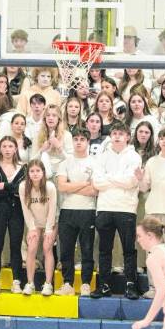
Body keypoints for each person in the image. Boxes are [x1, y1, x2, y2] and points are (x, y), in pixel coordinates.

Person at [92, 122, 142, 299]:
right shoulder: (101, 156)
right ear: (110, 136)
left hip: (126, 208)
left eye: (121, 133)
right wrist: (118, 180)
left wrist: (108, 178)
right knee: (104, 249)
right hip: (104, 207)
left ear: (128, 136)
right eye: (114, 133)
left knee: (129, 249)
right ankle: (104, 285)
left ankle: (131, 285)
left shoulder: (134, 156)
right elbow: (97, 182)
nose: (117, 136)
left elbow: (131, 181)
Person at [56, 128, 98, 296]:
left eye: (82, 139)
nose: (79, 142)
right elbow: (61, 186)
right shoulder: (65, 163)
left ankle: (86, 283)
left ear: (88, 142)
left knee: (87, 249)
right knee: (66, 250)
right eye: (76, 139)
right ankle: (68, 283)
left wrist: (71, 186)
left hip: (87, 210)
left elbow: (94, 190)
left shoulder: (95, 162)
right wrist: (83, 184)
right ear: (72, 141)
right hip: (67, 210)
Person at [0, 136, 26, 295]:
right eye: (4, 146)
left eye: (11, 146)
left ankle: (16, 282)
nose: (8, 149)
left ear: (16, 148)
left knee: (16, 247)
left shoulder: (23, 167)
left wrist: (6, 186)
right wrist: (12, 190)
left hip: (17, 211)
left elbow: (22, 190)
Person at [19, 159, 57, 296]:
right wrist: (32, 228)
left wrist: (48, 230)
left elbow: (52, 210)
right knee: (32, 248)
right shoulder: (23, 187)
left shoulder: (50, 187)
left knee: (47, 247)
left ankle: (48, 284)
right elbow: (25, 209)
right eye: (32, 171)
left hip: (50, 221)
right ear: (28, 173)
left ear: (43, 172)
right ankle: (30, 283)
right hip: (34, 222)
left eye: (38, 171)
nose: (35, 174)